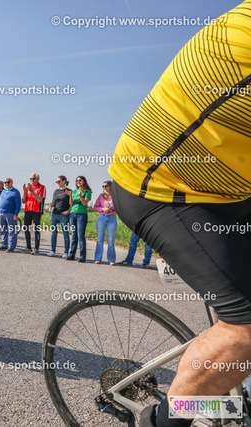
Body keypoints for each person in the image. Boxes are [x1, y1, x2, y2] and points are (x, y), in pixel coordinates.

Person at [107, 4, 251, 426]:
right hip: (160, 185)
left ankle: (231, 396)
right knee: (246, 328)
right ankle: (161, 421)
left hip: (229, 183)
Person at [66, 176, 91, 262]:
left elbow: (84, 203)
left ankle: (82, 256)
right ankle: (72, 254)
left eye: (80, 180)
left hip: (81, 215)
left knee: (80, 236)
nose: (78, 182)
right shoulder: (74, 191)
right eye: (77, 180)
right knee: (74, 236)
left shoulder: (87, 191)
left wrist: (80, 195)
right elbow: (71, 204)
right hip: (73, 214)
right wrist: (70, 196)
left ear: (84, 181)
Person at [93, 180, 117, 265]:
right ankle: (97, 258)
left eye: (106, 186)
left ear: (111, 186)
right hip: (102, 218)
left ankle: (111, 260)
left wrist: (113, 208)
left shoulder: (115, 196)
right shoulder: (101, 196)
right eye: (103, 186)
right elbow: (95, 206)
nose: (104, 188)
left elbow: (119, 208)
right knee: (100, 239)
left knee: (111, 240)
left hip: (112, 218)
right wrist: (103, 209)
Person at [22, 173, 46, 255]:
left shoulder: (42, 187)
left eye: (33, 178)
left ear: (38, 179)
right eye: (30, 178)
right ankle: (28, 247)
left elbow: (39, 199)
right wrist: (24, 191)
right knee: (26, 229)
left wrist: (31, 190)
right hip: (28, 210)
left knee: (36, 230)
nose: (31, 180)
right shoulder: (28, 188)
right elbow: (23, 201)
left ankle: (36, 248)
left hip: (37, 211)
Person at [48, 175, 71, 258]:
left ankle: (66, 252)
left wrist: (68, 211)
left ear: (64, 181)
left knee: (65, 233)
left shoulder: (69, 191)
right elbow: (54, 202)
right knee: (54, 233)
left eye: (59, 181)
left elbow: (71, 204)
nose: (58, 183)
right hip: (55, 214)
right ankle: (52, 251)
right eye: (57, 181)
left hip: (64, 215)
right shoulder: (56, 191)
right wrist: (50, 205)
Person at [0, 178, 22, 252]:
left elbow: (18, 204)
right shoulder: (3, 191)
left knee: (12, 230)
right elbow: (0, 202)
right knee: (2, 230)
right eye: (5, 182)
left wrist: (16, 214)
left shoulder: (15, 192)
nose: (6, 184)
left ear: (11, 183)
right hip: (1, 213)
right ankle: (4, 244)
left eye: (8, 182)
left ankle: (11, 246)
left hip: (10, 214)